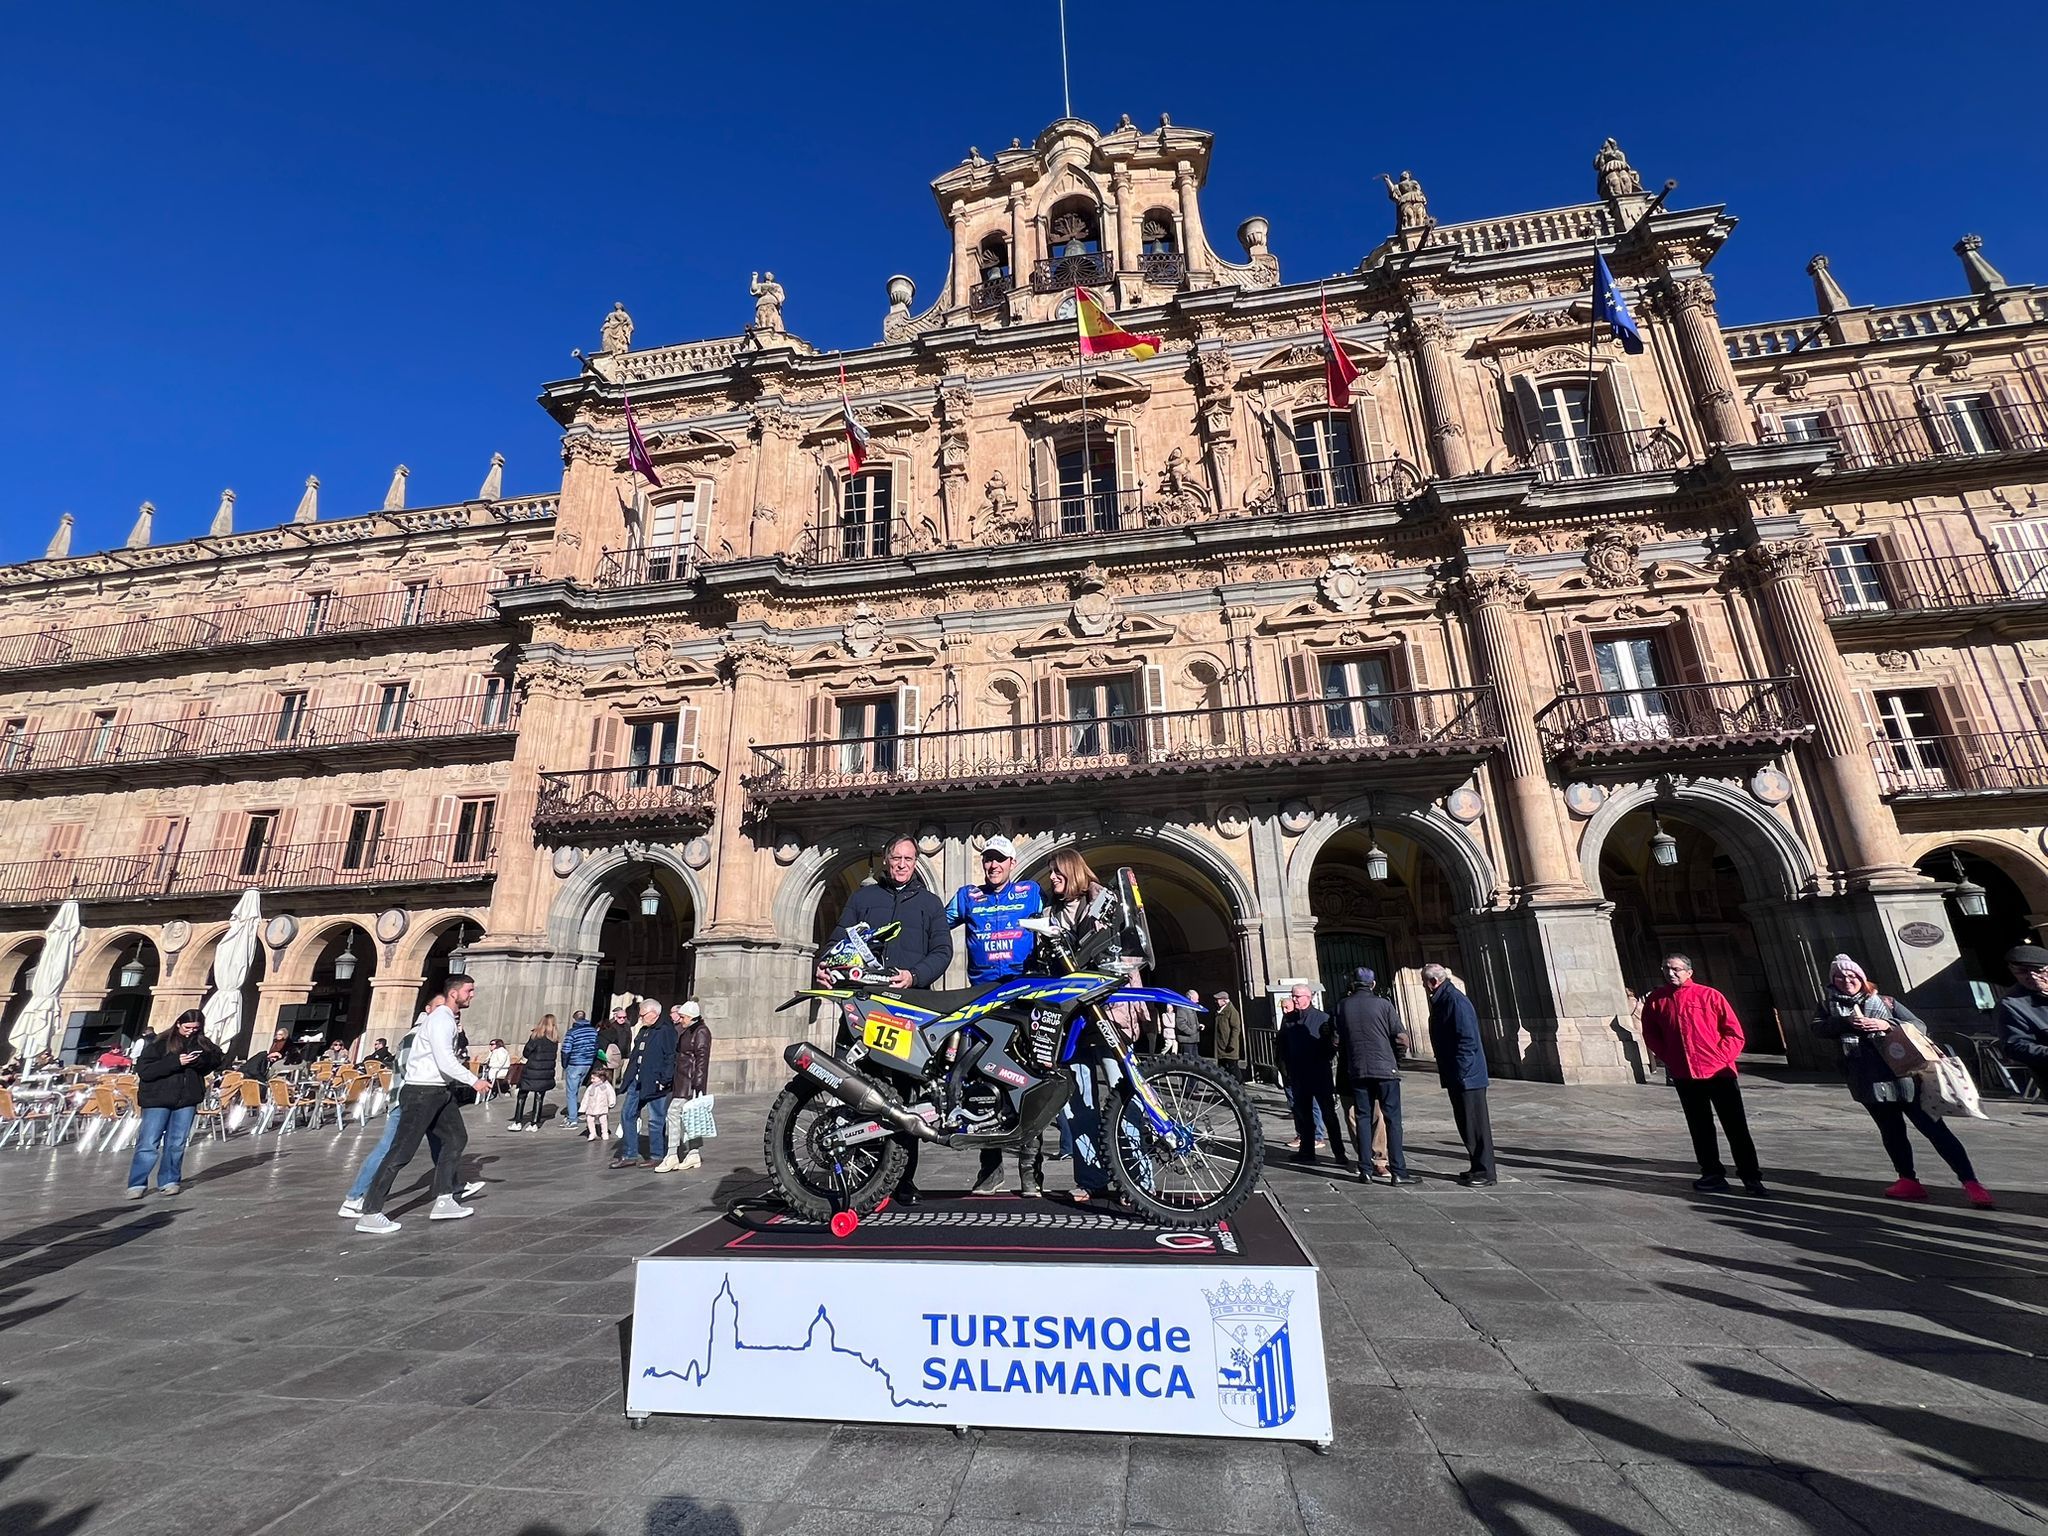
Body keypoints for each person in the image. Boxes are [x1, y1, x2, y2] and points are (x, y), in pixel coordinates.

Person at [819, 835, 953, 1202]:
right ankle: (858, 1179)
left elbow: (943, 951)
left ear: (916, 862)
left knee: (905, 1099)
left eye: (909, 859)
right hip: (864, 1010)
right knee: (857, 1092)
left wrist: (914, 975)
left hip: (907, 1013)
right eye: (896, 858)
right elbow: (837, 942)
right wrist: (826, 966)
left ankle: (901, 1179)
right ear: (885, 859)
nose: (902, 865)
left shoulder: (930, 903)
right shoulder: (863, 899)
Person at [1814, 954, 1994, 1208]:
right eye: (1840, 977)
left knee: (1935, 1130)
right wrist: (1846, 1023)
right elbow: (1817, 1029)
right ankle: (1908, 1180)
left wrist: (1884, 1024)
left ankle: (1971, 1182)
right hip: (1869, 1082)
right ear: (1832, 981)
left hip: (1908, 1078)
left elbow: (1918, 1025)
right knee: (1892, 1133)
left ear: (1862, 978)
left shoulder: (1886, 1002)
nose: (1846, 981)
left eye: (1852, 976)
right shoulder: (1828, 1006)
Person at [353, 976, 492, 1235]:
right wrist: (474, 1081)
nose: (472, 995)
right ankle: (370, 1212)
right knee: (401, 1152)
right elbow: (445, 1059)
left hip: (438, 1091)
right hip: (422, 1092)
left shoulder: (447, 1019)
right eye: (469, 990)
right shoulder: (441, 1019)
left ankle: (444, 1199)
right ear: (453, 993)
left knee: (455, 1138)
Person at [946, 836, 1044, 1194]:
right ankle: (990, 1169)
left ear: (1012, 863)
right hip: (982, 999)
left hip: (1023, 997)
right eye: (988, 860)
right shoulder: (966, 896)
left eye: (1000, 860)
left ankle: (1031, 1170)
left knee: (1029, 1081)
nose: (993, 866)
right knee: (981, 1083)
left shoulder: (1031, 893)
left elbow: (1060, 917)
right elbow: (937, 927)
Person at [1638, 953, 1766, 1196]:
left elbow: (1734, 1033)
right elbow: (1651, 1033)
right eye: (1666, 969)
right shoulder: (1657, 1000)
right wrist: (1670, 1057)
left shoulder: (1709, 995)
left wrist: (1719, 1059)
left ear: (1689, 971)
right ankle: (1712, 1172)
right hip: (1685, 1074)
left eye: (1676, 969)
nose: (1670, 973)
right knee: (1700, 1126)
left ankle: (1751, 1176)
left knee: (1735, 1126)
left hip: (1720, 1073)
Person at [1043, 847, 1111, 1204]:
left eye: (1057, 872)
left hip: (1110, 1012)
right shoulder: (1050, 914)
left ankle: (1136, 1179)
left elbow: (1117, 951)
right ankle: (1091, 1177)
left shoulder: (1103, 901)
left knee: (1124, 1096)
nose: (1052, 878)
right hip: (1073, 1020)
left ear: (1074, 871)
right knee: (1079, 1102)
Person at [125, 1010, 223, 1199]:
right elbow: (145, 1071)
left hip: (186, 1099)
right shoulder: (159, 1043)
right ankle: (137, 1183)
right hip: (157, 1099)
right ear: (178, 1023)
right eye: (187, 1027)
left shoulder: (202, 1043)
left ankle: (170, 1180)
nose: (190, 1032)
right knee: (148, 1142)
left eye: (196, 1028)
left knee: (177, 1142)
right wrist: (176, 1061)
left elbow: (216, 1060)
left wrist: (199, 1060)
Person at [1334, 968, 1417, 1186]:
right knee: (1392, 1120)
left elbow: (1334, 1039)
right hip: (1385, 1069)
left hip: (1358, 1069)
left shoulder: (1343, 1005)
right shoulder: (1384, 1004)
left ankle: (1365, 1171)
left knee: (1362, 1118)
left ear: (1354, 984)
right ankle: (1399, 1172)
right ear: (1372, 984)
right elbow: (1401, 1038)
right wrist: (1395, 1060)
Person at [1422, 964, 1494, 1185]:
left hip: (1468, 1076)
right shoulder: (1444, 998)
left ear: (1433, 981)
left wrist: (1461, 1071)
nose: (1424, 986)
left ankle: (1486, 1172)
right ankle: (1476, 1166)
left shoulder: (1455, 1000)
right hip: (1459, 1074)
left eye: (1425, 982)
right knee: (1466, 1124)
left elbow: (1468, 1039)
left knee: (1476, 1125)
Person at [1277, 983, 1349, 1168]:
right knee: (1303, 1115)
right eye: (1293, 996)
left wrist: (1323, 1056)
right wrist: (1285, 1068)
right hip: (1298, 1075)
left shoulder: (1322, 1018)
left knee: (1328, 1114)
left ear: (1308, 997)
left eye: (1298, 996)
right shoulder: (1289, 1020)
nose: (1295, 1000)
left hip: (1319, 1074)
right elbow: (1281, 1046)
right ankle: (1306, 1151)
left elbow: (1332, 1045)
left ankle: (1339, 1153)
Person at [612, 999, 678, 1170]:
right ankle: (629, 1154)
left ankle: (657, 1155)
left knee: (656, 1118)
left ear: (654, 1013)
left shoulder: (666, 1030)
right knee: (627, 1114)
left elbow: (670, 1056)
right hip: (637, 1080)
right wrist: (628, 1077)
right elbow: (636, 1054)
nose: (640, 1018)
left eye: (643, 1015)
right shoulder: (644, 1030)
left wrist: (665, 1079)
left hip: (655, 1081)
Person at [657, 1002, 714, 1173]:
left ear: (691, 1017)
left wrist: (698, 1083)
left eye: (682, 1017)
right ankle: (693, 1153)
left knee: (674, 1113)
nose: (680, 1019)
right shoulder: (687, 1030)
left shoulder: (701, 1031)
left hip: (689, 1081)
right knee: (690, 1116)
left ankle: (672, 1154)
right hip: (682, 1078)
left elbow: (702, 1058)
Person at [1998, 942, 2048, 1095]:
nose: (2032, 977)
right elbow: (2015, 1046)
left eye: (2039, 971)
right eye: (2023, 972)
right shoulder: (2011, 1004)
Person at [509, 1017, 558, 1131]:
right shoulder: (554, 1040)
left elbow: (526, 1052)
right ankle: (534, 1124)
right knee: (539, 1097)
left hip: (532, 1070)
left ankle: (518, 1122)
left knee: (522, 1095)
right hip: (545, 1072)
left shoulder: (536, 1037)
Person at [560, 1009, 599, 1130]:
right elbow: (596, 1046)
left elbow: (566, 1049)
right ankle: (575, 1112)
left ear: (574, 1019)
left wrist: (564, 1064)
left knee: (571, 1092)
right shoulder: (593, 1031)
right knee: (576, 1089)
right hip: (587, 1063)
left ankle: (572, 1119)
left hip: (575, 1063)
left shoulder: (572, 1032)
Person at [1211, 991, 1245, 1080]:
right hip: (1221, 1046)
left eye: (1218, 999)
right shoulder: (1219, 1011)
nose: (1216, 1001)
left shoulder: (1231, 1011)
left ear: (1224, 1000)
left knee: (1233, 1068)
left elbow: (1236, 1028)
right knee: (1222, 1069)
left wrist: (1232, 1044)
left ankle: (1239, 1087)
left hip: (1228, 1048)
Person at [580, 1066, 617, 1140]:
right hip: (591, 1107)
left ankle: (604, 1133)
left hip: (602, 1106)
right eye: (591, 1078)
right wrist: (583, 1107)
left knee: (603, 1120)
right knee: (589, 1119)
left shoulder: (606, 1086)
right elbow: (586, 1098)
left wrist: (611, 1102)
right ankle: (592, 1133)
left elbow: (611, 1094)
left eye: (594, 1078)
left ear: (601, 1078)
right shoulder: (591, 1087)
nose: (592, 1080)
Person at [1173, 990, 1203, 1058]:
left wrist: (1198, 1026)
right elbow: (1180, 1024)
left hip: (1193, 1040)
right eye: (1196, 999)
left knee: (1195, 1061)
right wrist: (1191, 1032)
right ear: (1190, 998)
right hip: (1186, 1041)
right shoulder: (1182, 1008)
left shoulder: (1192, 1008)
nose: (1197, 1001)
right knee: (1187, 1061)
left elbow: (1192, 1022)